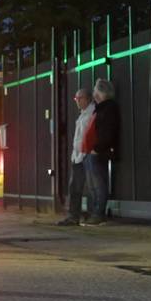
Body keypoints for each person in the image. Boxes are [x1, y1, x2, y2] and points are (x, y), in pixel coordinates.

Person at [57, 88, 95, 226]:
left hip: (85, 155)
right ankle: (75, 215)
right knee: (75, 187)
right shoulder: (83, 114)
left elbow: (86, 136)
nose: (77, 101)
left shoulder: (90, 113)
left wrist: (82, 153)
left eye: (80, 98)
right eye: (76, 99)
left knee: (84, 187)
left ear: (87, 99)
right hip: (78, 156)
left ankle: (79, 215)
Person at [84, 78, 120, 226]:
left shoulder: (108, 109)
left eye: (95, 90)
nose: (93, 93)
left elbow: (107, 132)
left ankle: (99, 214)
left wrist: (96, 148)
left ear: (101, 92)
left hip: (98, 152)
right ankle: (95, 213)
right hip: (93, 151)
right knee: (93, 184)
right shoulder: (101, 108)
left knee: (98, 184)